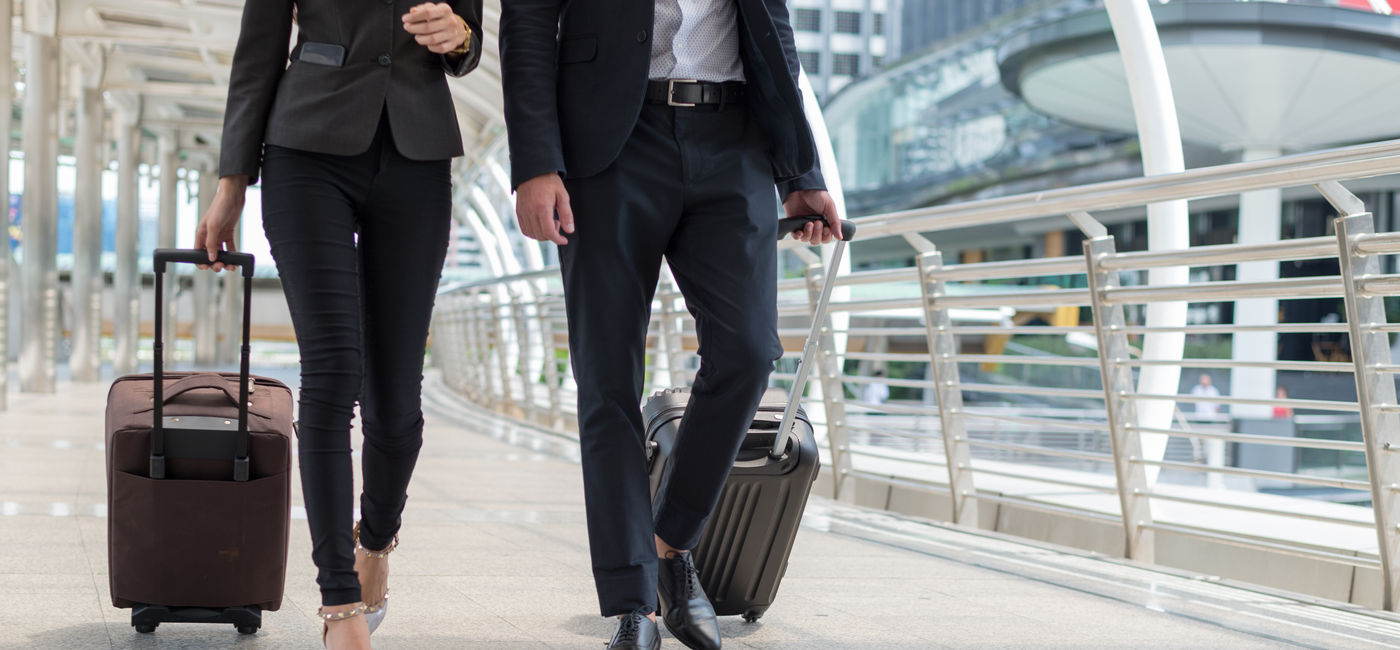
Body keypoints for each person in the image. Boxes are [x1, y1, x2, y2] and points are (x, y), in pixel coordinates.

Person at [500, 1, 840, 647]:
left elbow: (774, 31)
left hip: (734, 137)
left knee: (748, 352)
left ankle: (667, 543)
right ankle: (635, 603)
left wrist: (802, 171)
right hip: (607, 144)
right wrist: (534, 163)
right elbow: (527, 26)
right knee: (607, 379)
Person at [195, 2, 482, 647]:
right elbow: (258, 51)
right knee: (332, 373)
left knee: (397, 399)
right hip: (306, 149)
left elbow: (470, 40)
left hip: (418, 152)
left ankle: (376, 538)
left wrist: (460, 37)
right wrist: (232, 179)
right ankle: (339, 601)